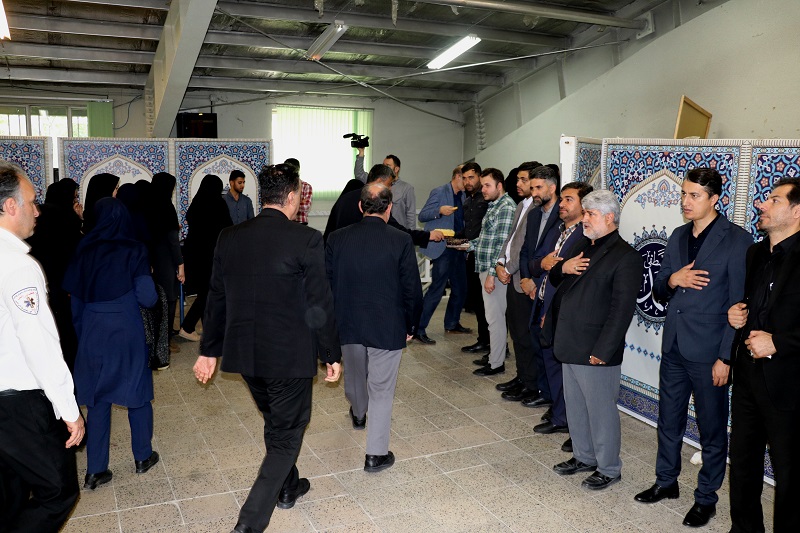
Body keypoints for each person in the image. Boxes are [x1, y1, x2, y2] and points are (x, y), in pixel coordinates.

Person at [193, 163, 342, 533]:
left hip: (246, 356)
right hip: (289, 358)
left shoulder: (229, 236)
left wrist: (209, 350)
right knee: (286, 436)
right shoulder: (306, 239)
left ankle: (288, 486)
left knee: (276, 421)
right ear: (290, 197)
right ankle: (249, 523)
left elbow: (216, 297)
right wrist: (331, 355)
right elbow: (319, 302)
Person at [633, 168, 751, 527]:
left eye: (694, 195)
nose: (685, 201)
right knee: (668, 420)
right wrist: (673, 278)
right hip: (674, 346)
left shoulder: (737, 240)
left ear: (714, 199)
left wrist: (725, 357)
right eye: (684, 194)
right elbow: (660, 289)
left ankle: (706, 499)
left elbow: (739, 304)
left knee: (712, 429)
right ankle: (666, 482)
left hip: (710, 352)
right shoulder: (678, 235)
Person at [0, 164, 84, 532]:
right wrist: (68, 409)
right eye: (32, 202)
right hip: (18, 402)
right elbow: (38, 344)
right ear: (10, 206)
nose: (38, 211)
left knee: (10, 496)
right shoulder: (18, 266)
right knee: (58, 491)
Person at [62, 198, 160, 490]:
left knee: (98, 399)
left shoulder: (83, 248)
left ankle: (95, 471)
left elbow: (75, 303)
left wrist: (84, 333)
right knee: (137, 393)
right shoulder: (134, 249)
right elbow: (148, 298)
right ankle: (142, 456)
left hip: (92, 327)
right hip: (126, 328)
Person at [547, 190, 642, 490]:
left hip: (596, 348)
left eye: (591, 214)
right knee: (576, 408)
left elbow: (621, 311)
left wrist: (604, 350)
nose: (584, 219)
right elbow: (558, 280)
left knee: (601, 412)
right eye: (585, 213)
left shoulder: (626, 257)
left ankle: (609, 468)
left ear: (609, 217)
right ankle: (584, 456)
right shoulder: (583, 246)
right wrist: (562, 267)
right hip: (570, 341)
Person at [326, 183, 423, 473]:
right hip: (388, 324)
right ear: (389, 207)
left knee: (355, 375)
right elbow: (412, 288)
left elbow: (326, 286)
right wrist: (411, 323)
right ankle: (375, 454)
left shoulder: (336, 238)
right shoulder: (401, 239)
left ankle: (358, 414)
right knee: (381, 388)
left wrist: (329, 327)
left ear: (360, 207)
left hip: (348, 322)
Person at [727, 177, 800, 533]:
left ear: (797, 211)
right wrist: (736, 314)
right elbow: (752, 304)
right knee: (742, 463)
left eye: (774, 200)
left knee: (790, 473)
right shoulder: (755, 253)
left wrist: (779, 342)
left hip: (789, 382)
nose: (762, 204)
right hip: (747, 375)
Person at [531, 181, 593, 449]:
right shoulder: (558, 230)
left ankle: (567, 420)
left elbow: (573, 282)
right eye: (562, 199)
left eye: (569, 199)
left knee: (564, 369)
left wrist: (553, 313)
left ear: (584, 206)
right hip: (543, 303)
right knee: (552, 365)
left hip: (560, 312)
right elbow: (536, 263)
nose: (562, 204)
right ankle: (560, 415)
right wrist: (542, 264)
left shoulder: (584, 237)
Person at [498, 164, 558, 398]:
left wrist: (532, 279)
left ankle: (534, 385)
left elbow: (553, 254)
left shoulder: (558, 216)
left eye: (537, 187)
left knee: (532, 337)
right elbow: (522, 248)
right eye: (531, 187)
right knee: (519, 334)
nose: (534, 192)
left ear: (552, 187)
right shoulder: (533, 213)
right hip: (523, 279)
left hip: (541, 283)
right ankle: (524, 378)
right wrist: (523, 276)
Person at [26, 178, 83, 371]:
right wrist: (78, 219)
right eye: (73, 198)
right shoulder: (67, 218)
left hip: (39, 282)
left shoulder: (40, 215)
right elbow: (76, 251)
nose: (75, 202)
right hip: (63, 287)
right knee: (66, 334)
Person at [324, 163, 443, 247]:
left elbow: (330, 228)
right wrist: (427, 236)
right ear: (380, 181)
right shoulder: (375, 200)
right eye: (390, 184)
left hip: (337, 254)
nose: (390, 189)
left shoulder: (346, 197)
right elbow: (397, 230)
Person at [414, 165, 469, 344]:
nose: (468, 182)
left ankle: (452, 323)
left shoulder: (464, 196)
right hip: (443, 247)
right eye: (465, 178)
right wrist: (439, 211)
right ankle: (419, 329)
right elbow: (422, 216)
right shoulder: (439, 192)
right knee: (437, 289)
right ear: (457, 176)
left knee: (460, 288)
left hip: (459, 245)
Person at [470, 168, 517, 376]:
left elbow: (501, 245)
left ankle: (496, 363)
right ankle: (494, 356)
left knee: (495, 318)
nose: (483, 189)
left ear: (500, 185)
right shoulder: (494, 205)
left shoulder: (505, 207)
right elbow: (486, 238)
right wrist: (467, 245)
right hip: (486, 269)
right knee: (493, 318)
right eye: (482, 186)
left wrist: (491, 274)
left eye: (487, 185)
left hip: (494, 272)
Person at [179, 174, 232, 341]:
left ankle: (208, 327)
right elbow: (227, 228)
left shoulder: (196, 203)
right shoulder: (218, 204)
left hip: (194, 254)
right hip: (210, 255)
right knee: (208, 292)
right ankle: (187, 326)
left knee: (204, 291)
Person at [149, 172, 185, 350]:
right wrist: (181, 265)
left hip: (151, 259)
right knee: (169, 299)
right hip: (165, 261)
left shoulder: (148, 205)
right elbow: (172, 241)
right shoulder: (166, 207)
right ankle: (166, 340)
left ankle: (157, 338)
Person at [459, 162, 491, 355]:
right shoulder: (467, 201)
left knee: (488, 303)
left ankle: (494, 344)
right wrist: (455, 239)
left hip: (485, 255)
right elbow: (469, 229)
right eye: (464, 178)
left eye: (471, 177)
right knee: (477, 301)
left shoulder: (486, 199)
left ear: (479, 176)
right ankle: (484, 340)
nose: (467, 182)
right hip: (471, 255)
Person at [354, 147, 416, 229]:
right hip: (378, 228)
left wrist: (410, 234)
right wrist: (361, 153)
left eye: (388, 166)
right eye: (383, 165)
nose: (384, 168)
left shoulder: (406, 188)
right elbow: (359, 174)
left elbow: (411, 214)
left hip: (398, 231)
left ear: (396, 169)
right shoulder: (375, 182)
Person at [285, 158, 313, 225]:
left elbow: (306, 206)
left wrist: (288, 203)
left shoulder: (306, 186)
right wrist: (300, 201)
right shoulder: (281, 186)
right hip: (285, 222)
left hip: (301, 222)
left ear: (298, 170)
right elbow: (279, 205)